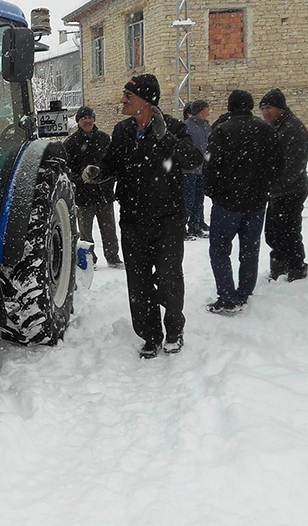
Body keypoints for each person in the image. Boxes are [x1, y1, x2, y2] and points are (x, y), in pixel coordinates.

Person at [83, 74, 202, 359]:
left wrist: (166, 138)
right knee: (138, 282)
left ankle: (173, 330)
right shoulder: (123, 130)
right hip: (133, 218)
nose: (122, 100)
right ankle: (150, 335)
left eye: (128, 95)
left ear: (146, 100)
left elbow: (193, 160)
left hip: (168, 218)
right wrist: (98, 171)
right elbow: (112, 163)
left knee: (169, 277)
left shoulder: (172, 127)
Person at [204, 90, 282, 314]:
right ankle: (245, 291)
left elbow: (210, 165)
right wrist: (264, 187)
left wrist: (214, 192)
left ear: (230, 107)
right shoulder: (267, 130)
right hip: (256, 201)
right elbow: (277, 164)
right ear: (250, 106)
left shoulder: (222, 131)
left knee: (219, 249)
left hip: (228, 201)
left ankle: (228, 296)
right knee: (250, 248)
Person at [259, 88, 308, 281]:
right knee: (273, 232)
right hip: (277, 190)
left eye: (269, 107)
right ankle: (279, 265)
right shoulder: (276, 126)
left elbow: (294, 166)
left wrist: (274, 186)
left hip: (291, 190)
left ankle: (296, 268)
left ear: (280, 108)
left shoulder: (292, 128)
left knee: (289, 231)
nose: (265, 112)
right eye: (262, 108)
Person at [63, 106, 123, 268]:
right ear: (78, 122)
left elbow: (114, 163)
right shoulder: (71, 143)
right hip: (84, 195)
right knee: (85, 232)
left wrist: (109, 179)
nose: (87, 121)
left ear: (94, 119)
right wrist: (80, 179)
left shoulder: (104, 139)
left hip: (104, 192)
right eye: (83, 118)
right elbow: (66, 170)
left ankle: (113, 257)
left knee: (109, 229)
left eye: (90, 117)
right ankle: (89, 260)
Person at [182, 100, 211, 239]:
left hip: (202, 169)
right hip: (189, 170)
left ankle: (195, 226)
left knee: (199, 199)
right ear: (200, 111)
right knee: (188, 200)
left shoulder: (205, 126)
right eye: (206, 109)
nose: (208, 111)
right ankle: (182, 228)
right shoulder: (186, 126)